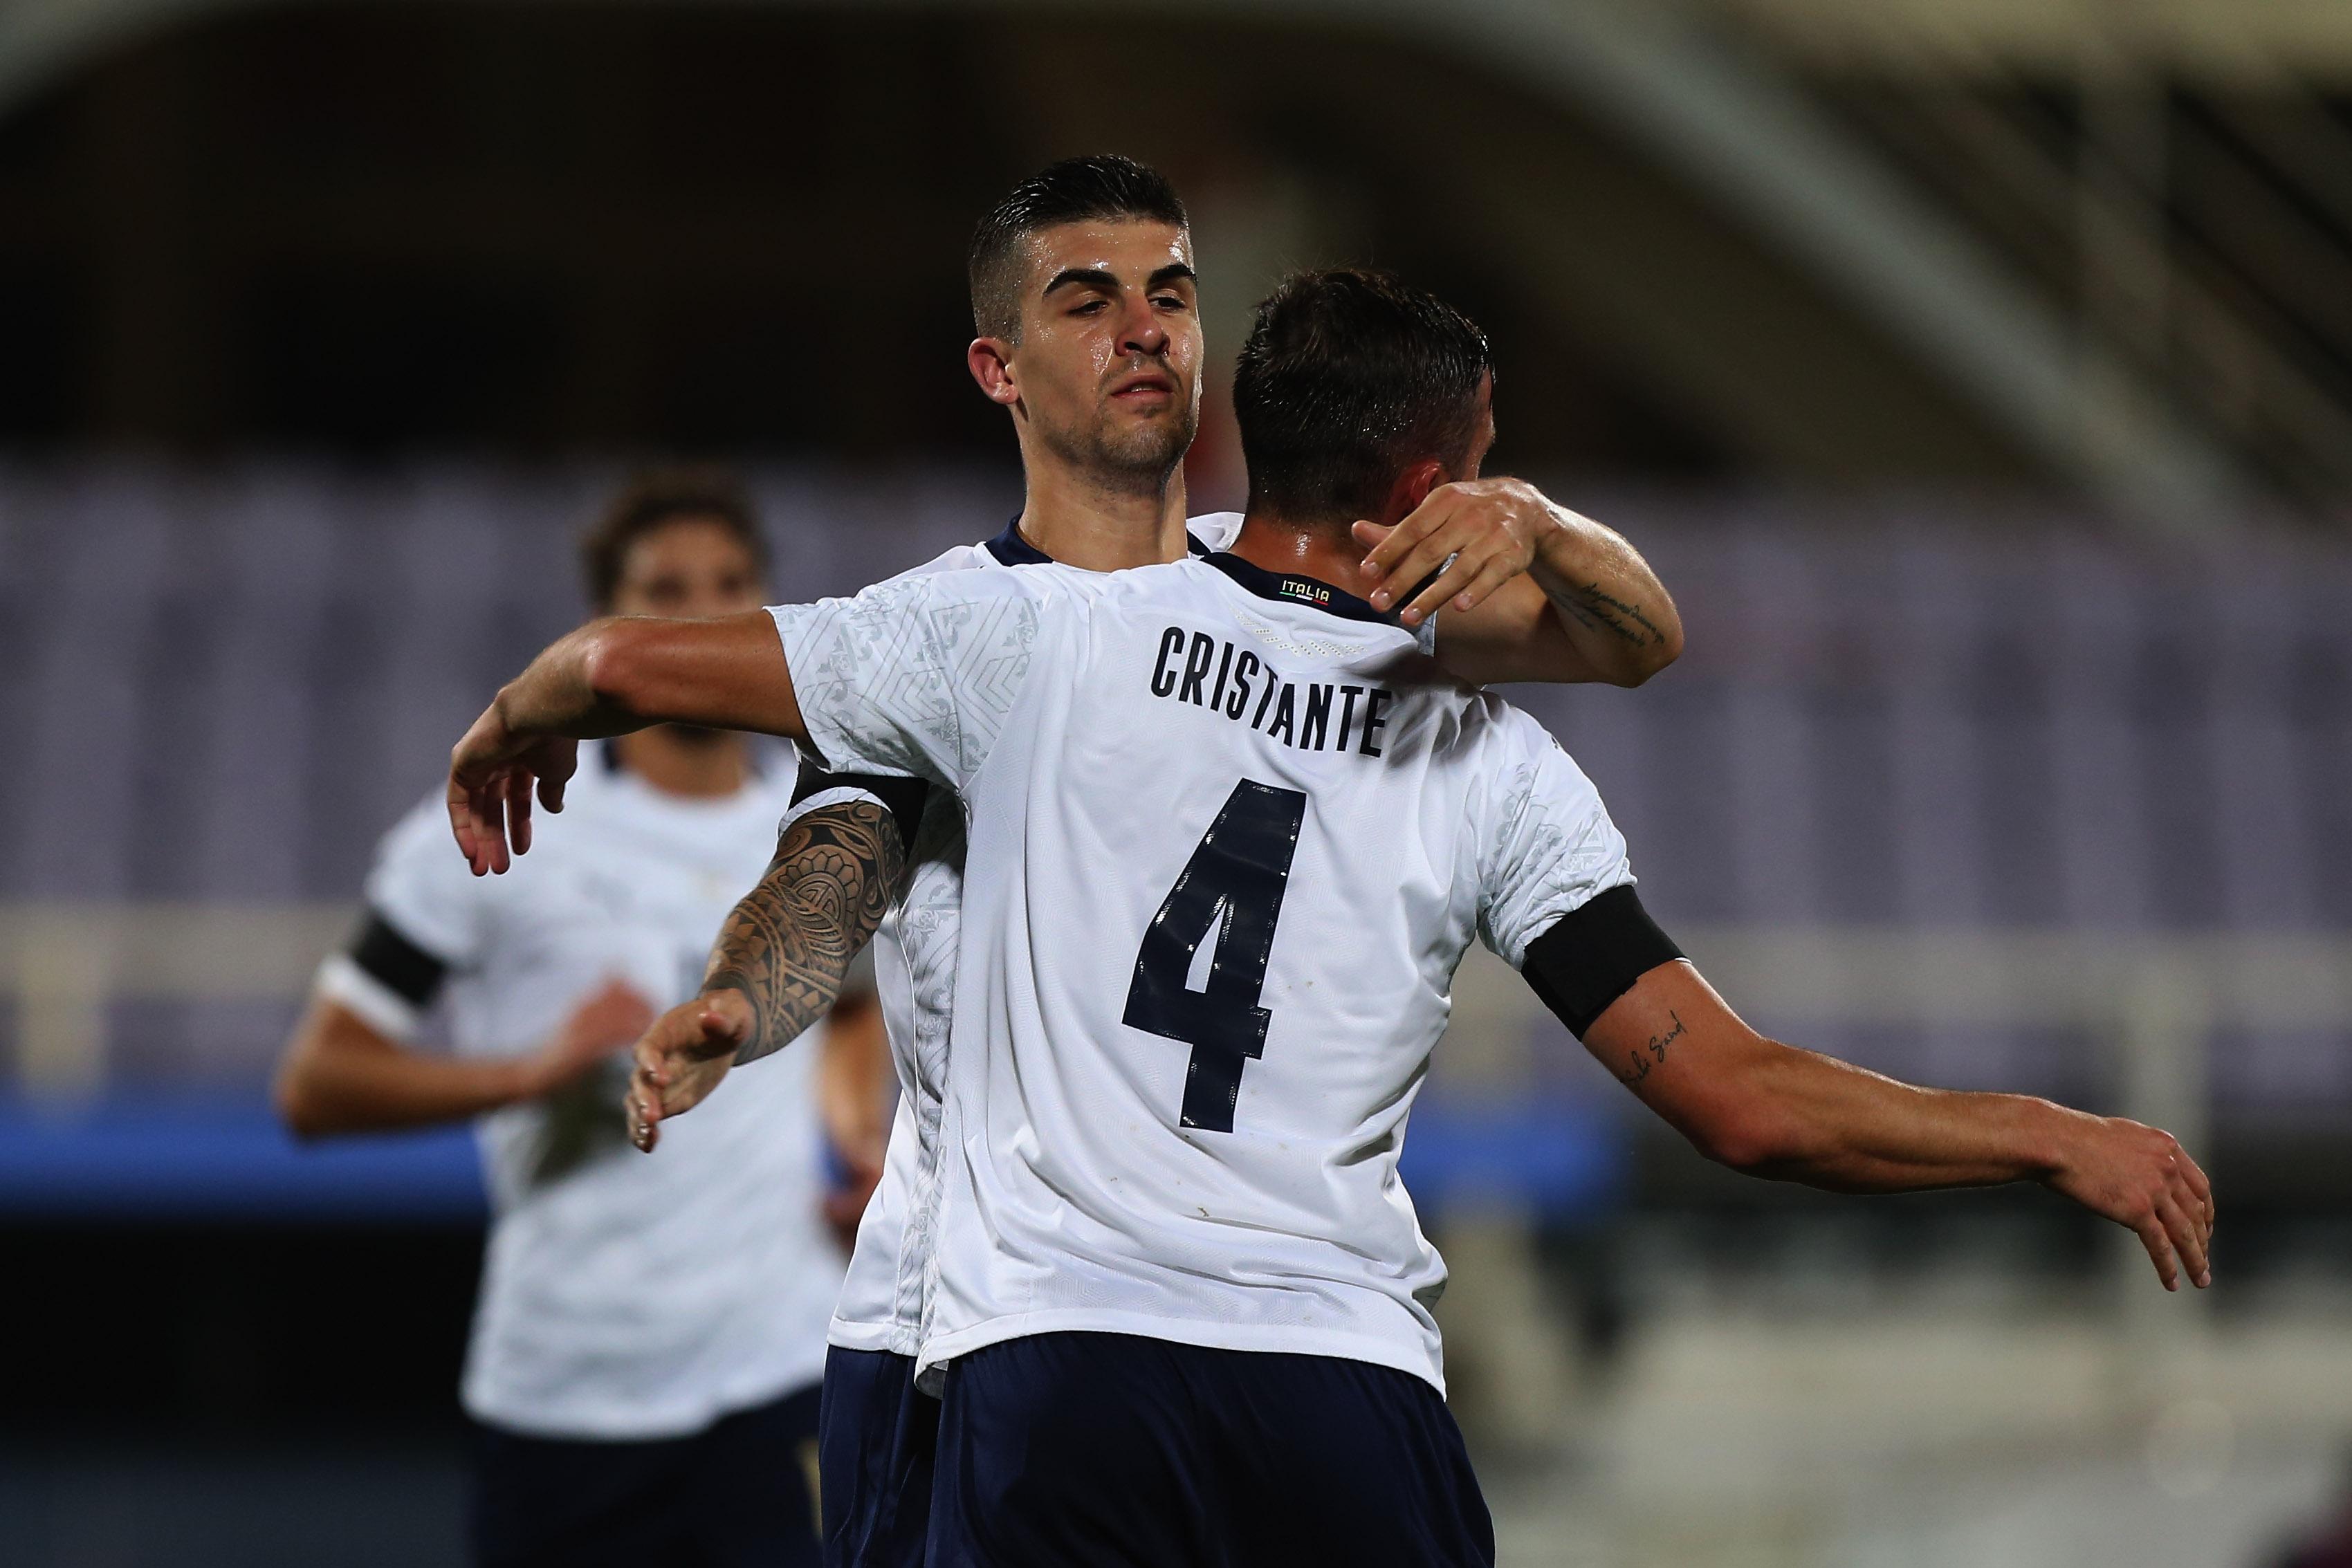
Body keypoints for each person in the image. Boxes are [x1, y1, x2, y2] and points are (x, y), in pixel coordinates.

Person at [445, 269, 2214, 1567]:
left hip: (1047, 1365)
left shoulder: (1042, 633)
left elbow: (668, 689)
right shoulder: (1493, 761)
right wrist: (2040, 1135)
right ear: (1423, 488)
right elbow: (1734, 1097)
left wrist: (547, 695)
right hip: (1339, 1388)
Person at [655, 155, 1688, 1568]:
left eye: (1171, 293)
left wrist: (1532, 516)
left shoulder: (1285, 602)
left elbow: (1623, 641)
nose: (1143, 327)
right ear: (996, 367)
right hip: (952, 1331)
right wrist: (741, 1002)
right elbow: (836, 858)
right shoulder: (962, 633)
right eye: (1087, 302)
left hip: (1210, 1347)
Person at [274, 470, 887, 1568]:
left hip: (778, 1374)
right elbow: (316, 1086)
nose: (704, 614)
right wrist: (532, 1071)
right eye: (669, 591)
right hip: (563, 1394)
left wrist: (857, 1131)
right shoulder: (503, 819)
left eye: (732, 586)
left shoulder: (817, 834)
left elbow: (850, 1010)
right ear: (614, 626)